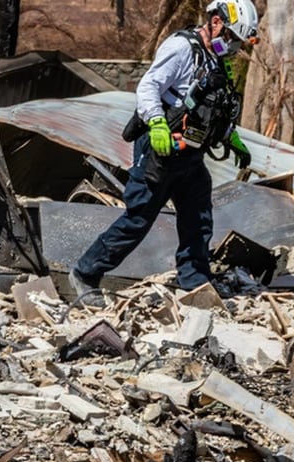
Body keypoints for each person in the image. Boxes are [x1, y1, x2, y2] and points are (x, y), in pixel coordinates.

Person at [69, 0, 259, 302]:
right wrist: (156, 123)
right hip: (160, 148)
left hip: (189, 155)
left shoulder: (215, 60)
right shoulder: (181, 49)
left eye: (237, 43)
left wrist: (230, 137)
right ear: (216, 22)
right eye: (231, 38)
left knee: (198, 218)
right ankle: (85, 274)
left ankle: (195, 283)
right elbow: (148, 87)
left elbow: (211, 109)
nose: (233, 47)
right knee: (138, 219)